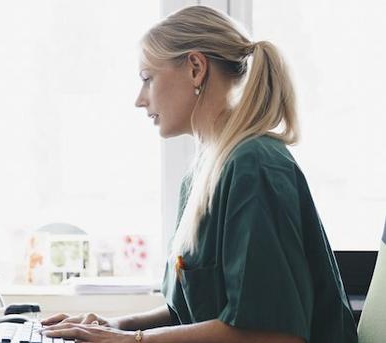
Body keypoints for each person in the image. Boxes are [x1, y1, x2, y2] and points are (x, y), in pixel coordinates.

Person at [40, 6, 358, 343]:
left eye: (148, 78)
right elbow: (191, 313)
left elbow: (274, 333)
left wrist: (136, 341)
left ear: (195, 68)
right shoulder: (201, 176)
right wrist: (117, 325)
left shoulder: (254, 165)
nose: (139, 100)